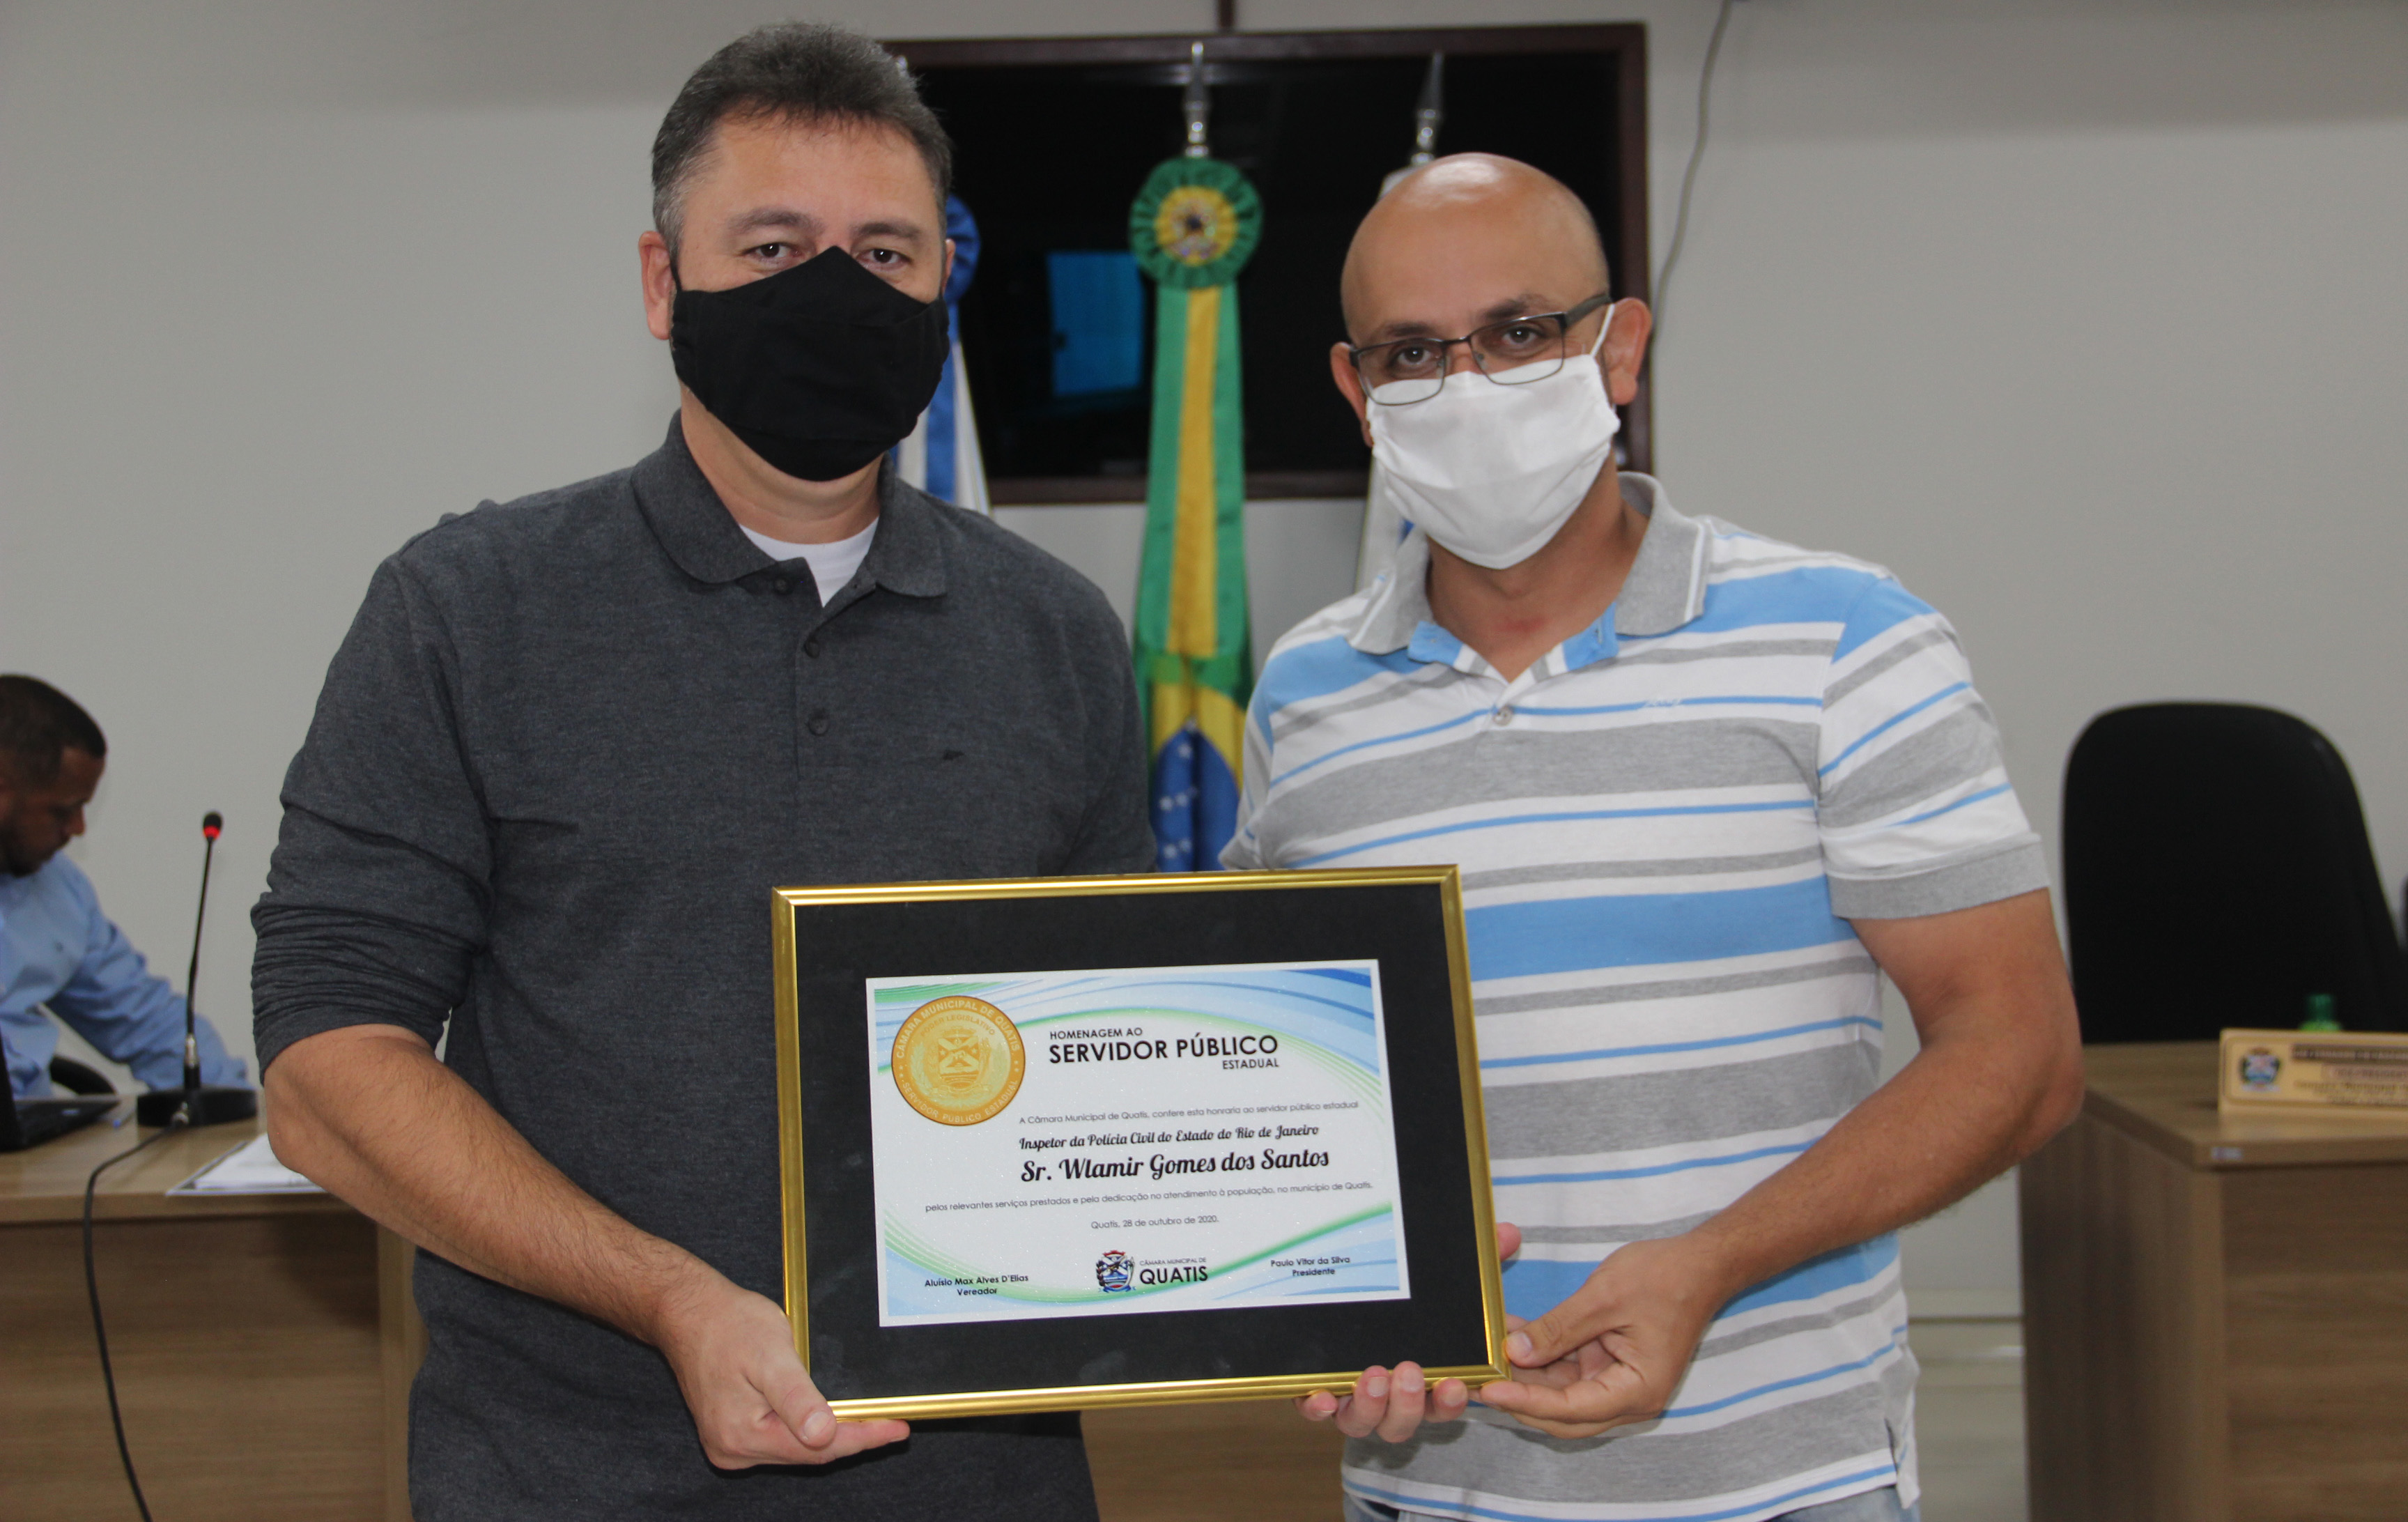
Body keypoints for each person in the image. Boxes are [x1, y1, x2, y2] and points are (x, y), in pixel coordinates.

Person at [250, 24, 1152, 1521]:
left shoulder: (1055, 632)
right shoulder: (466, 610)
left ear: (945, 282)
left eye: (884, 253)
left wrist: (1336, 1288)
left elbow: (1116, 1050)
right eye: (774, 247)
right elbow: (323, 1071)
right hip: (568, 1479)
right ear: (664, 283)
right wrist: (669, 1295)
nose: (833, 292)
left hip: (987, 1484)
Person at [1228, 155, 2084, 1522]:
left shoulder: (1846, 640)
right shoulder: (1305, 694)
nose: (1468, 385)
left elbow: (2020, 1052)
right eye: (1412, 352)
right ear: (1356, 388)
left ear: (1619, 349)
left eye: (1520, 332)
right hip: (1429, 1484)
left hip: (1786, 1479)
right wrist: (1312, 1292)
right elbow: (1293, 1080)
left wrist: (1712, 1262)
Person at [1, 675, 249, 1100]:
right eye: (63, 811)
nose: (78, 829)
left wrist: (235, 1107)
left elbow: (142, 1017)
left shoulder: (58, 887)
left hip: (32, 1133)